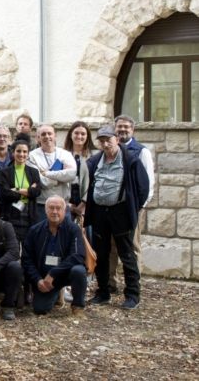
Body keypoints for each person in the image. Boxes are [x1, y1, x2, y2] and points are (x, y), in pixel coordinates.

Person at [86, 126, 148, 310]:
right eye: (102, 140)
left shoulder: (130, 160)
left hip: (120, 213)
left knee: (127, 254)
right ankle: (103, 292)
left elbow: (142, 188)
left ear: (117, 139)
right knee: (102, 255)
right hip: (99, 213)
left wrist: (132, 208)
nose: (105, 143)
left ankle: (132, 295)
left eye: (109, 139)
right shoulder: (95, 160)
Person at [110, 115, 155, 297]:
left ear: (132, 130)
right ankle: (110, 283)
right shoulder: (111, 151)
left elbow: (148, 183)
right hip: (112, 208)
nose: (122, 130)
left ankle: (134, 284)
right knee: (111, 246)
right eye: (119, 127)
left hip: (132, 208)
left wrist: (139, 206)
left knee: (132, 246)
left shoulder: (141, 152)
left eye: (126, 127)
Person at [22, 196, 87, 315]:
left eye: (58, 208)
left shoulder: (73, 229)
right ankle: (56, 294)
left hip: (65, 273)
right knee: (40, 309)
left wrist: (53, 273)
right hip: (44, 278)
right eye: (51, 208)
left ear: (64, 211)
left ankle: (78, 305)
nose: (55, 211)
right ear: (45, 210)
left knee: (79, 270)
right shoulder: (35, 230)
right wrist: (38, 280)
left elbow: (78, 256)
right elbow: (27, 260)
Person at [0, 140, 42, 246]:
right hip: (11, 215)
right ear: (13, 153)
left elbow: (37, 192)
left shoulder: (33, 172)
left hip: (29, 215)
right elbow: (5, 193)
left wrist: (16, 189)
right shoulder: (4, 173)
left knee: (29, 249)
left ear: (28, 154)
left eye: (25, 151)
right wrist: (28, 191)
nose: (22, 154)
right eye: (18, 151)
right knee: (12, 248)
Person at [28, 125, 77, 223]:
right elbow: (42, 182)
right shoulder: (32, 156)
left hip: (62, 204)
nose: (47, 136)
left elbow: (71, 174)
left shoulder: (65, 154)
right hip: (42, 206)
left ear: (55, 136)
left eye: (49, 133)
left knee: (65, 237)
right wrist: (61, 177)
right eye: (43, 134)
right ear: (38, 138)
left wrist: (46, 173)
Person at [63, 121, 95, 220]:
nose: (79, 136)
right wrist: (67, 203)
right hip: (67, 199)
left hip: (87, 200)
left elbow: (96, 181)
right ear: (71, 135)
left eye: (83, 134)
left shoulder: (94, 156)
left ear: (87, 136)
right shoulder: (62, 154)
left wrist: (84, 203)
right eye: (76, 133)